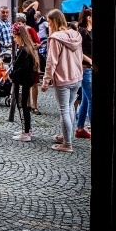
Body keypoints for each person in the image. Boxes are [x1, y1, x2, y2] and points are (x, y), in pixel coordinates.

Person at [40, 9, 83, 153]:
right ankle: (67, 136)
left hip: (63, 78)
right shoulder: (76, 34)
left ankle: (67, 143)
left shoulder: (55, 38)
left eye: (49, 21)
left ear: (54, 21)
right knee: (70, 107)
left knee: (64, 109)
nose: (47, 24)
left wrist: (46, 80)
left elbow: (51, 61)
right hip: (76, 77)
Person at [8, 22, 40, 142]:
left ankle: (26, 133)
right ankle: (26, 129)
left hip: (21, 82)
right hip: (24, 81)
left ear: (20, 36)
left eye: (15, 37)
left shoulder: (24, 50)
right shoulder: (27, 49)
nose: (14, 40)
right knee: (24, 106)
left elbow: (22, 69)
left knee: (22, 106)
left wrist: (12, 75)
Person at [75, 6, 93, 139]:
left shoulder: (91, 31)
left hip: (91, 68)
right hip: (85, 68)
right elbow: (78, 51)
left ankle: (80, 128)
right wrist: (91, 60)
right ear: (89, 18)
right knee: (92, 98)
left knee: (86, 99)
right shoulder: (82, 31)